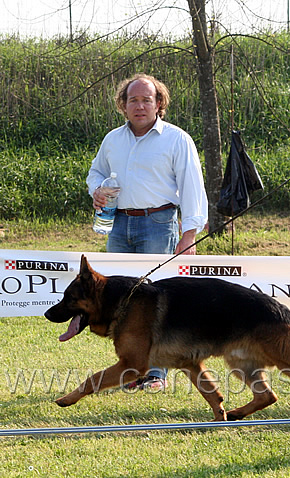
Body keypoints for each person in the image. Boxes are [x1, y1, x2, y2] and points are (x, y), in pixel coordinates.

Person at [87, 73, 208, 391]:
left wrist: (189, 234)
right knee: (121, 302)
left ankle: (156, 374)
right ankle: (132, 370)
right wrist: (97, 190)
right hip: (118, 225)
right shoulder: (112, 140)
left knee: (156, 300)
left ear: (159, 103)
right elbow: (96, 171)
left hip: (159, 224)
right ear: (123, 105)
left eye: (146, 99)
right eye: (133, 100)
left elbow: (193, 187)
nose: (139, 105)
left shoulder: (177, 139)